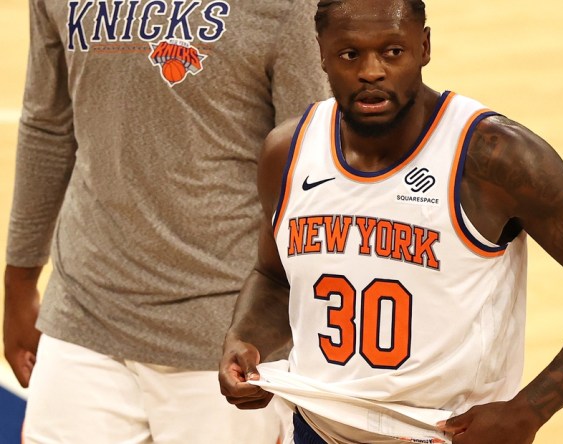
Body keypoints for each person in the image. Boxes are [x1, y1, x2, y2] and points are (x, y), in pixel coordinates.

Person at [218, 0, 563, 442]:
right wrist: (246, 337)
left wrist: (533, 407)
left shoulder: (491, 155)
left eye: (392, 51)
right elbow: (275, 276)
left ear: (425, 46)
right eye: (350, 53)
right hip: (317, 427)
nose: (371, 70)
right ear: (321, 53)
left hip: (442, 434)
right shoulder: (288, 151)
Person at [3, 0, 329, 442]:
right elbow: (47, 126)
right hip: (83, 314)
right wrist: (20, 280)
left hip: (228, 335)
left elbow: (313, 163)